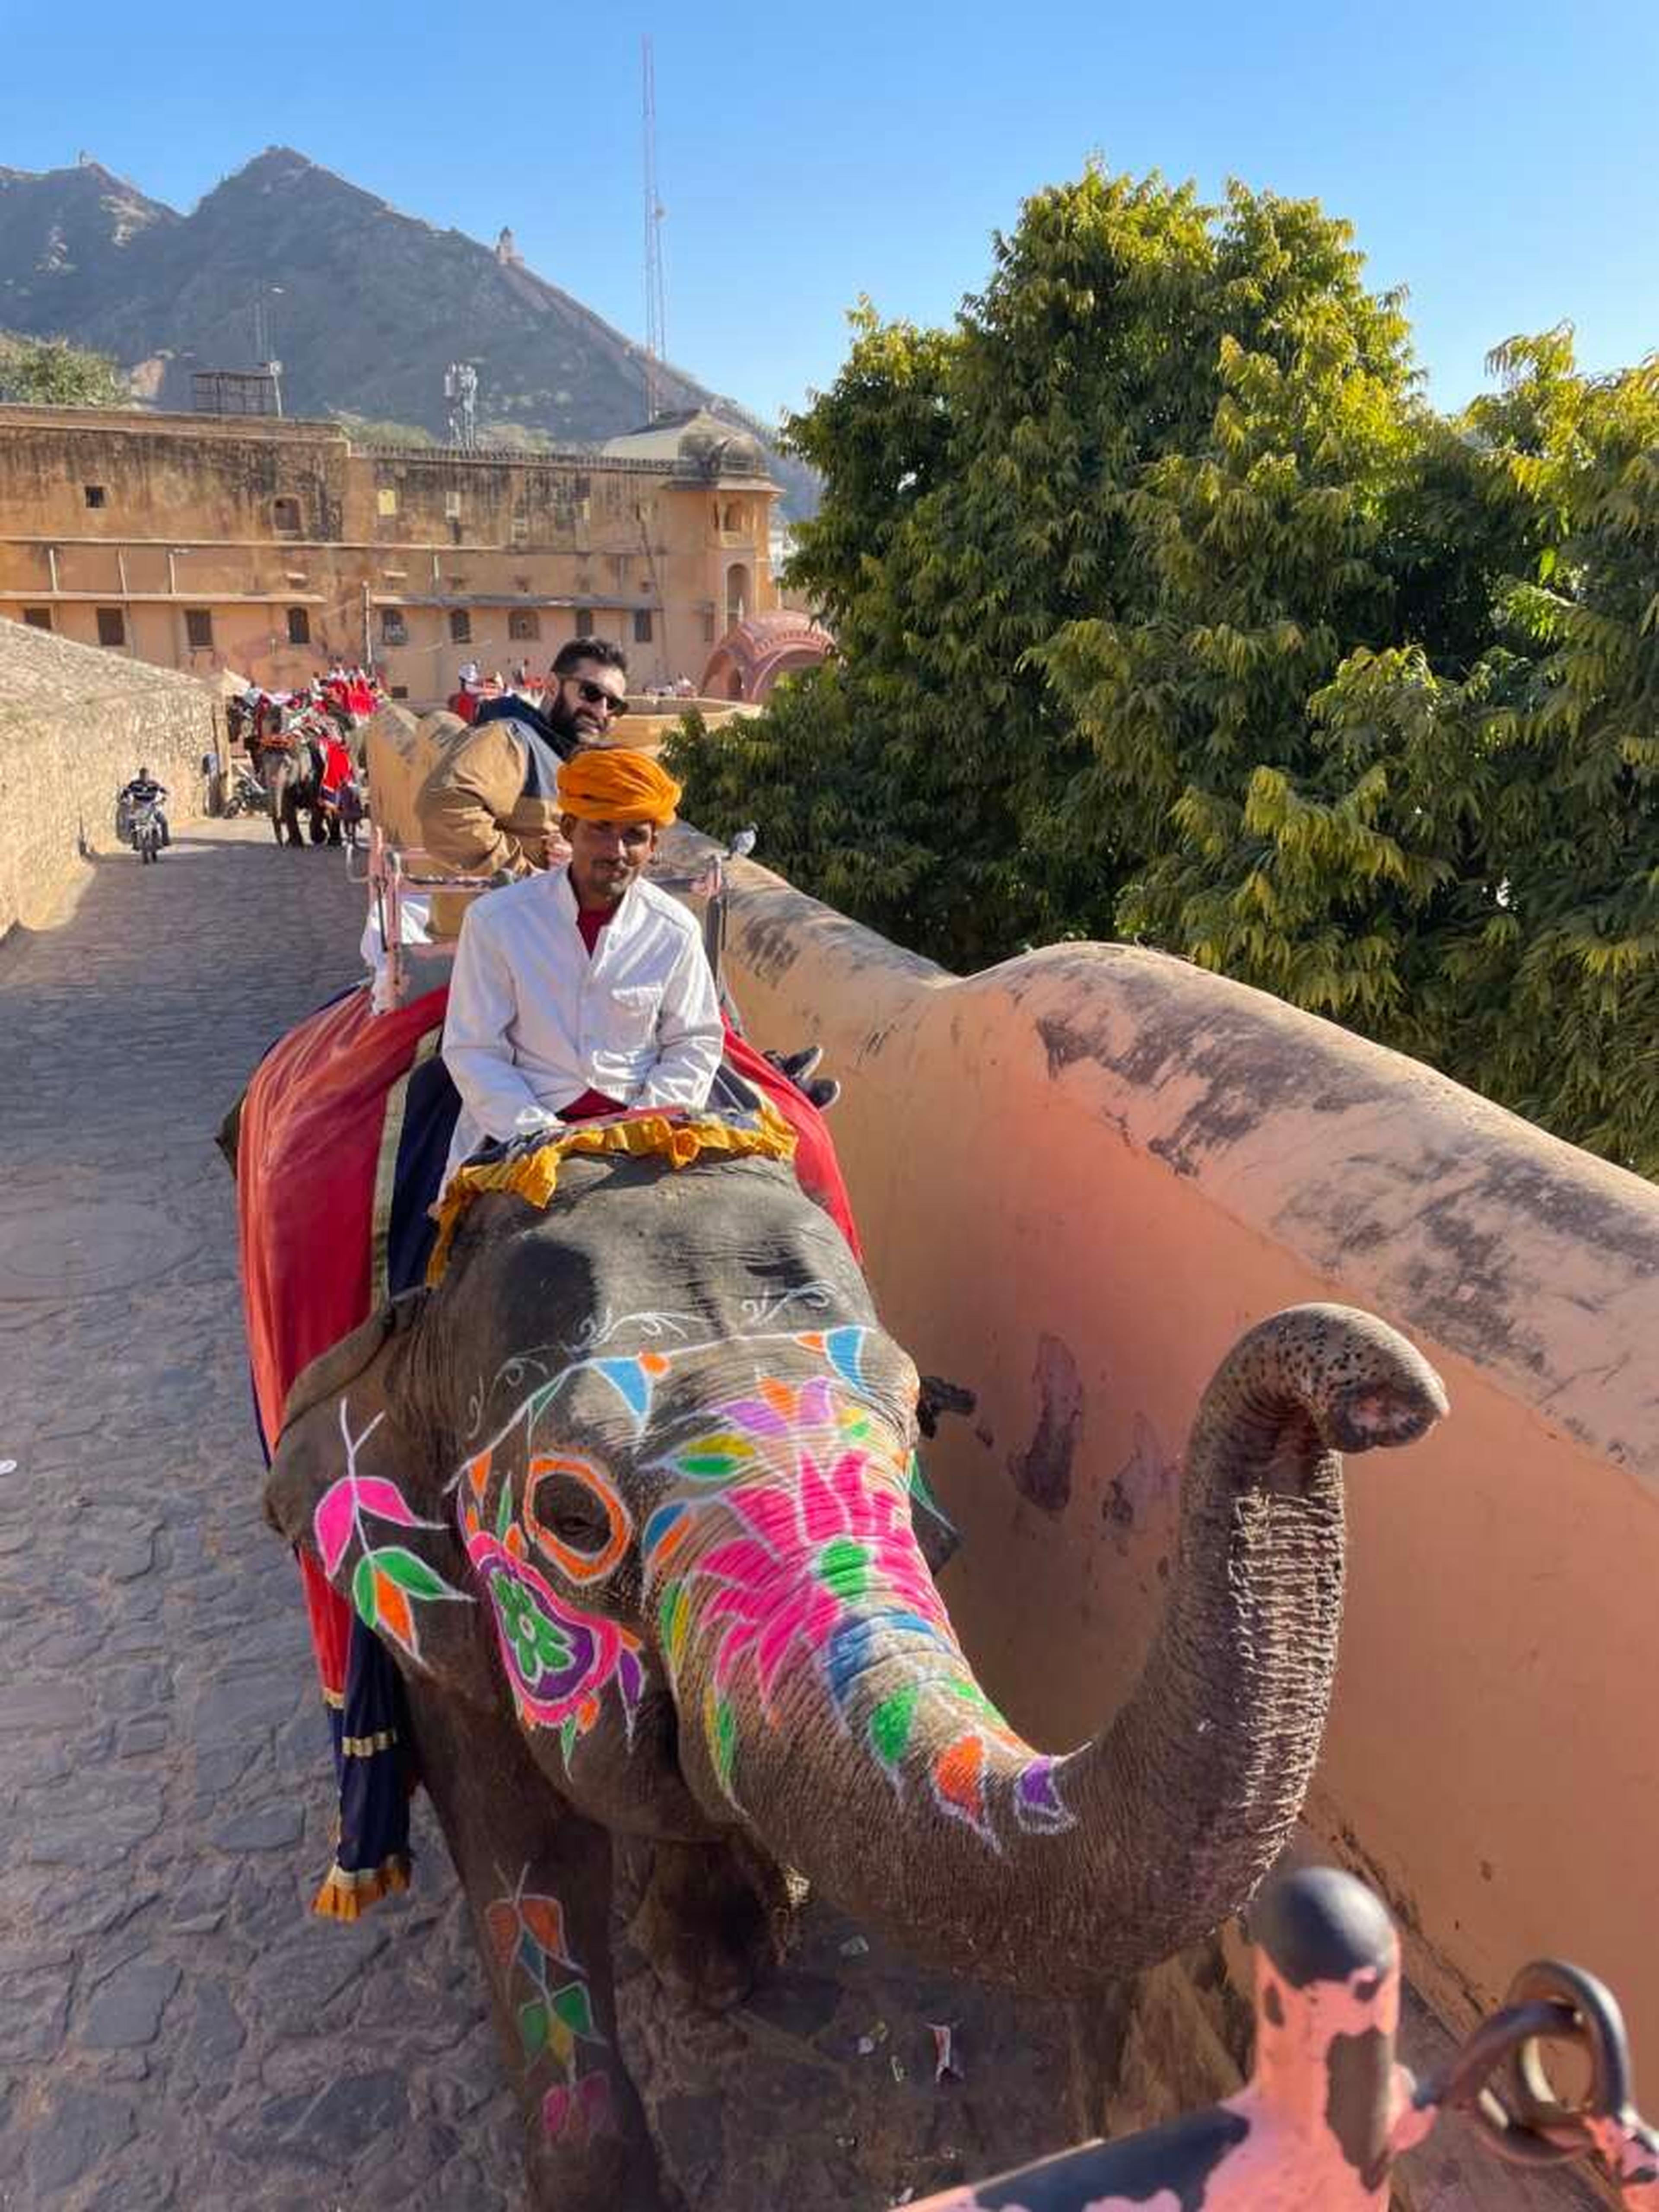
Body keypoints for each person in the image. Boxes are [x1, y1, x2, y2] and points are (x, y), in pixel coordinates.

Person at [439, 747, 721, 1183]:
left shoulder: (675, 929)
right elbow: (474, 1048)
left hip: (645, 1128)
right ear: (569, 829)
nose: (617, 851)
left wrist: (641, 1125)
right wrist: (538, 1132)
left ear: (654, 846)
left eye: (634, 836)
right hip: (523, 1129)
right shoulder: (497, 920)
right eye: (601, 830)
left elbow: (694, 1040)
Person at [416, 634, 630, 937]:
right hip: (489, 948)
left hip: (534, 942)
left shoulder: (565, 758)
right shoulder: (511, 738)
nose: (602, 711)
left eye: (615, 706)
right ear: (553, 687)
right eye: (591, 693)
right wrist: (531, 881)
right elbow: (445, 808)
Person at [118, 764, 170, 847]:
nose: (144, 778)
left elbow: (163, 791)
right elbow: (126, 792)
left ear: (149, 776)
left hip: (152, 807)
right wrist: (123, 798)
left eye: (146, 776)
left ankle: (165, 841)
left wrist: (164, 797)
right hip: (139, 807)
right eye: (142, 776)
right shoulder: (134, 784)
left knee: (164, 821)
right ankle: (134, 841)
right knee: (132, 822)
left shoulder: (154, 784)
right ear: (140, 776)